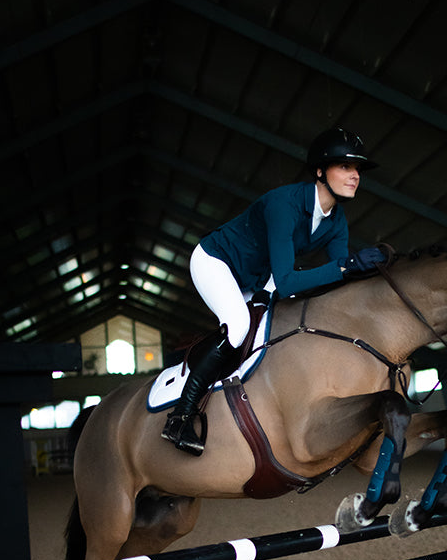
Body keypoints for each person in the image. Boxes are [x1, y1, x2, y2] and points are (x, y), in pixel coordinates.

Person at [162, 127, 386, 455]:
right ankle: (180, 416)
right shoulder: (284, 204)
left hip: (257, 277)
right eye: (345, 167)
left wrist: (369, 272)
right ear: (320, 171)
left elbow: (338, 278)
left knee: (278, 328)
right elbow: (288, 281)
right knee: (238, 328)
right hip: (216, 262)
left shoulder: (337, 221)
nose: (355, 176)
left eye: (357, 170)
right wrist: (347, 266)